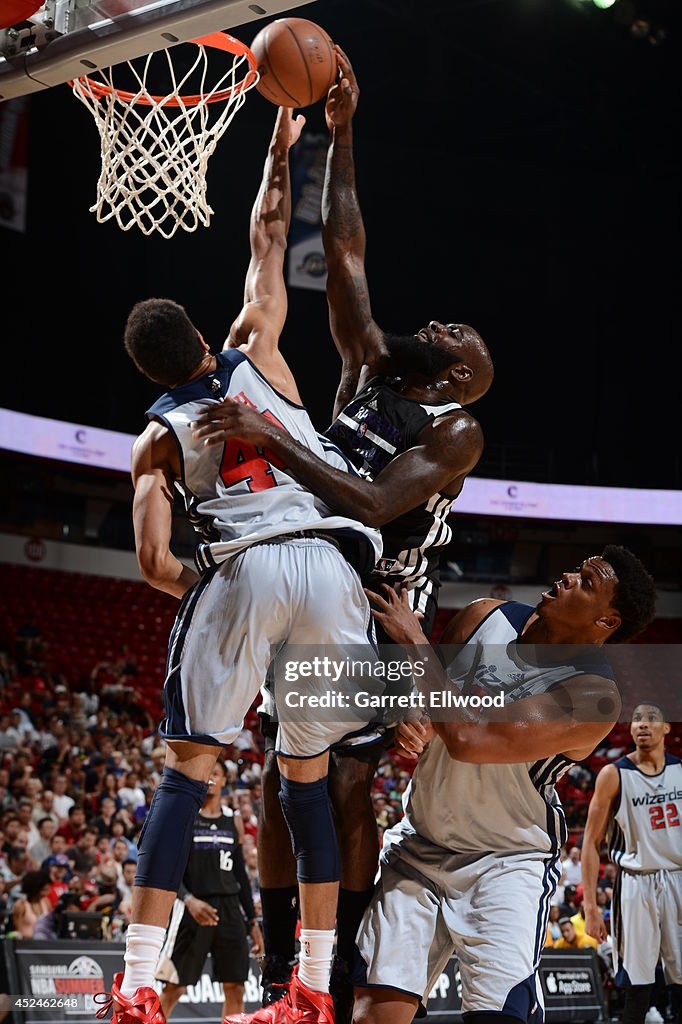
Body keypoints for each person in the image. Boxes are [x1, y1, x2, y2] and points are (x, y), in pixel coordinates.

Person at [192, 45, 494, 1018]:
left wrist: (273, 440)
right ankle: (290, 963)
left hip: (373, 593)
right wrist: (341, 134)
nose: (440, 322)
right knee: (287, 782)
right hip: (309, 564)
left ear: (455, 377)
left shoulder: (456, 429)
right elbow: (349, 251)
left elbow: (368, 504)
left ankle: (343, 968)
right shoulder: (370, 368)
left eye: (457, 336)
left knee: (347, 787)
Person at [96, 105, 385, 1024]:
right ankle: (309, 984)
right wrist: (280, 139)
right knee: (305, 785)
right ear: (200, 331)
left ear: (150, 371)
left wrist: (217, 591)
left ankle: (139, 981)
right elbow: (268, 229)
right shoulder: (258, 342)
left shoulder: (154, 437)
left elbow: (152, 562)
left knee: (190, 773)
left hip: (248, 564)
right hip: (334, 569)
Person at [346, 546, 656, 1024]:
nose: (569, 576)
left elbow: (470, 738)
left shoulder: (592, 694)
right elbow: (430, 699)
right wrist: (410, 716)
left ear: (605, 623)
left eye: (587, 583)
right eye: (577, 567)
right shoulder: (483, 616)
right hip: (420, 848)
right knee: (370, 1017)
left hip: (506, 862)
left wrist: (414, 641)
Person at [581, 702, 682, 1024]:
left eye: (652, 719)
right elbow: (590, 844)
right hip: (636, 884)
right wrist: (591, 908)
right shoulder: (614, 775)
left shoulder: (681, 771)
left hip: (679, 880)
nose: (642, 724)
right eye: (637, 719)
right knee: (637, 985)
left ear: (667, 728)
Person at [156, 759, 263, 1019]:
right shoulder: (187, 818)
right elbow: (169, 870)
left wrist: (251, 921)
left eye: (216, 774)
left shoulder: (233, 821)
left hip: (229, 909)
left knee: (235, 987)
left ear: (225, 781)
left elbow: (240, 875)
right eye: (207, 773)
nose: (211, 778)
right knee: (174, 986)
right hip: (195, 907)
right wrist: (188, 899)